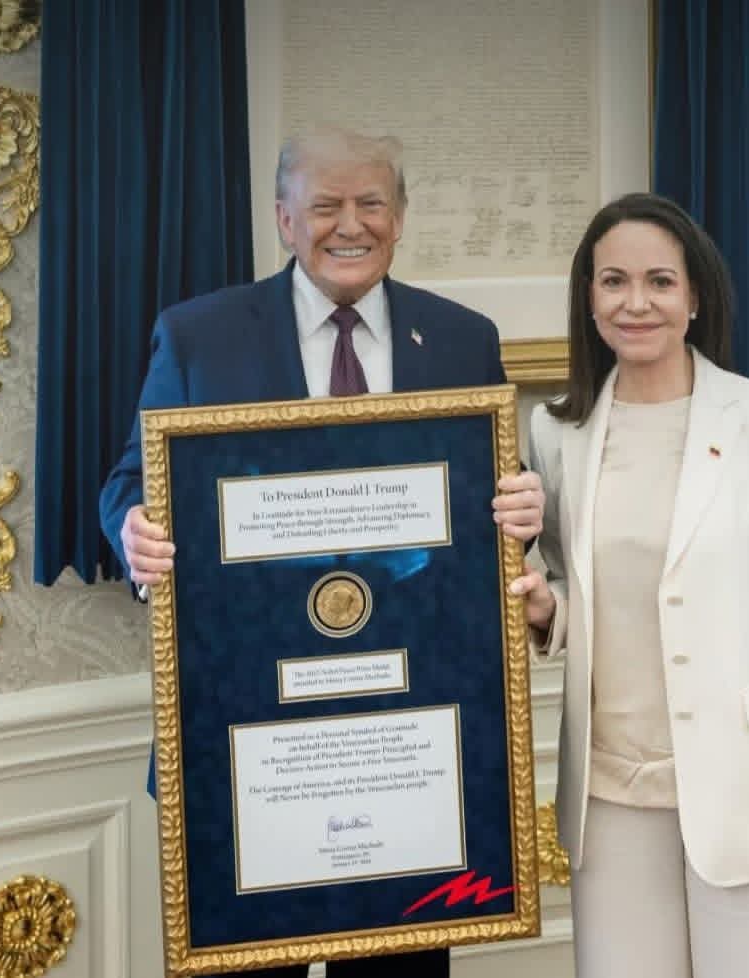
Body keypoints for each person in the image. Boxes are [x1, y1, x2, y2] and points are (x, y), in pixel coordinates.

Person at [99, 127, 544, 978]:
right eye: (326, 205)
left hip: (408, 732)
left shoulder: (462, 339)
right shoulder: (199, 337)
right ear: (284, 219)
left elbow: (486, 502)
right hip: (246, 729)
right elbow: (131, 483)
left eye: (371, 203)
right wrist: (134, 533)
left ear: (399, 216)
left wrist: (519, 510)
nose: (351, 225)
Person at [509, 192, 749, 977]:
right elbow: (571, 583)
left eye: (660, 282)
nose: (635, 303)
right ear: (589, 297)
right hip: (609, 796)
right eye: (614, 281)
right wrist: (545, 607)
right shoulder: (555, 432)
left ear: (695, 297)